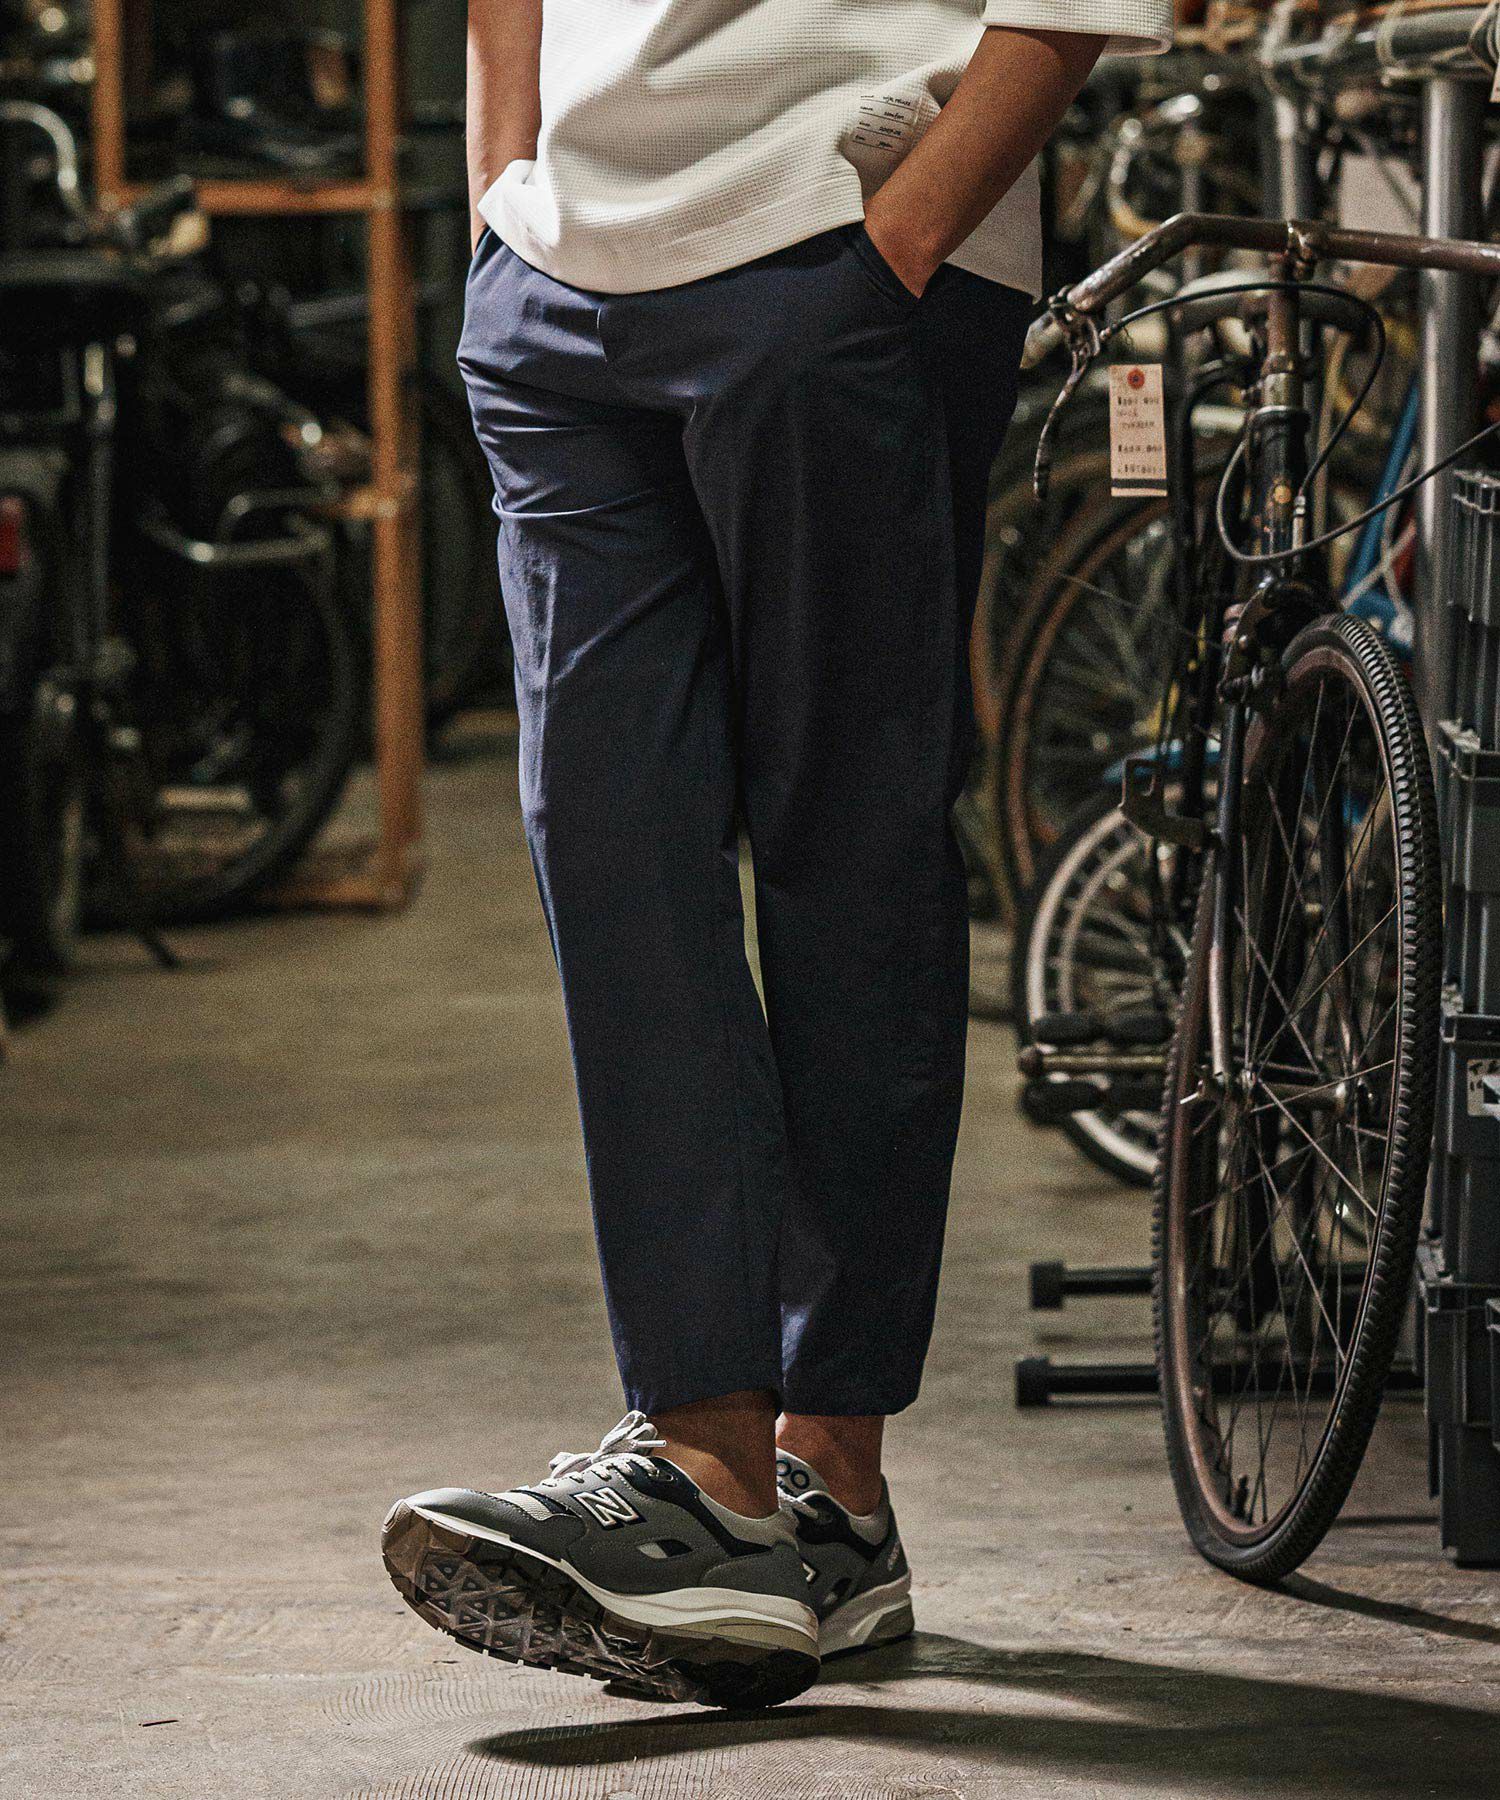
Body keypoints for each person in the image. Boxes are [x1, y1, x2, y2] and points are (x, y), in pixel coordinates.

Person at [383, 0, 1171, 1711]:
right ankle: (708, 1467)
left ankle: (826, 1481)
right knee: (616, 866)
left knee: (849, 857)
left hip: (839, 241)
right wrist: (502, 191)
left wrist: (905, 233)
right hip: (560, 272)